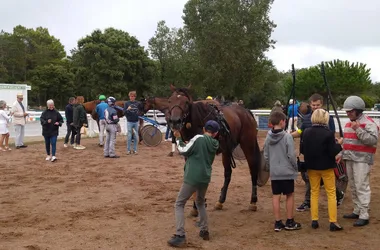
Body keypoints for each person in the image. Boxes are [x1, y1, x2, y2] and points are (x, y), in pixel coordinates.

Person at [167, 120, 220, 247]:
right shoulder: (215, 143)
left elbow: (183, 150)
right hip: (205, 177)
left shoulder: (198, 138)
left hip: (192, 177)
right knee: (200, 202)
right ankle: (204, 230)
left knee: (179, 204)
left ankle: (180, 235)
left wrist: (178, 138)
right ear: (216, 133)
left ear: (204, 129)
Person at [291, 93, 344, 212]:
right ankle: (308, 201)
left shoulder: (328, 118)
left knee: (323, 180)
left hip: (324, 154)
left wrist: (337, 149)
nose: (315, 107)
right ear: (310, 105)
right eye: (313, 105)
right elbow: (300, 131)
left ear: (322, 104)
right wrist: (289, 136)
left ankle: (336, 194)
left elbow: (331, 135)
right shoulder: (306, 118)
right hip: (309, 153)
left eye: (318, 105)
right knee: (309, 179)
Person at [339, 96, 378, 227]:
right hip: (349, 158)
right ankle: (357, 209)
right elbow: (347, 142)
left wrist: (358, 129)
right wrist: (341, 153)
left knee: (362, 185)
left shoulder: (369, 123)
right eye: (347, 111)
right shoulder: (349, 123)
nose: (348, 113)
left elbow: (372, 140)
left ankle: (364, 214)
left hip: (362, 159)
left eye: (350, 111)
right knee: (353, 185)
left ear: (358, 110)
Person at [301, 109, 344, 231]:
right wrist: (339, 144)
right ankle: (333, 221)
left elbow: (303, 149)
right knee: (331, 193)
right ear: (325, 119)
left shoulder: (306, 132)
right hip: (326, 167)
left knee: (314, 193)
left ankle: (314, 220)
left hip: (311, 167)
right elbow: (332, 151)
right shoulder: (328, 133)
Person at [263, 111, 301, 232]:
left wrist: (270, 167)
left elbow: (266, 155)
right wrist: (296, 167)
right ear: (282, 122)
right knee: (289, 195)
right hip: (287, 171)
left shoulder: (268, 137)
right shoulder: (287, 137)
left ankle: (278, 222)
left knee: (276, 196)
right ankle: (290, 221)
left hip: (275, 172)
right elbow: (291, 155)